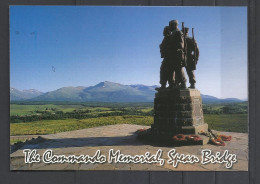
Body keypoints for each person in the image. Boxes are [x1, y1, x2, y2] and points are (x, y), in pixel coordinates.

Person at [168, 20, 187, 89]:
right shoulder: (173, 33)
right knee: (172, 70)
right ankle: (174, 84)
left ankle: (183, 83)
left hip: (177, 54)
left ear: (174, 25)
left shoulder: (178, 32)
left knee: (179, 69)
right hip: (173, 55)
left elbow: (181, 44)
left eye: (170, 25)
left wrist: (175, 49)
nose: (169, 27)